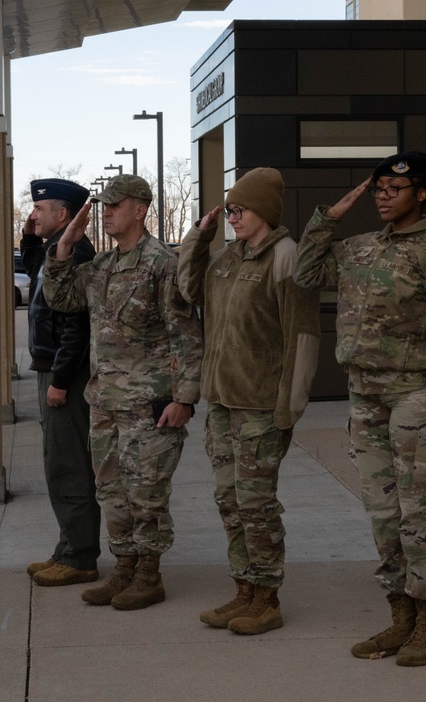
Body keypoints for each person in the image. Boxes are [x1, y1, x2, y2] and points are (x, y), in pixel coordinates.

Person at [294, 151, 426, 666]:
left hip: (418, 396)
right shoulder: (358, 249)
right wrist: (327, 218)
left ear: (421, 193)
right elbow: (304, 273)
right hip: (366, 396)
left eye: (394, 189)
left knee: (419, 513)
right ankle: (400, 617)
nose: (382, 196)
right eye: (377, 188)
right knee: (383, 512)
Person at [42, 174, 203, 611]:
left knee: (146, 491)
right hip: (106, 402)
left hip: (149, 405)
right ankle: (124, 570)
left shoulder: (162, 265)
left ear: (140, 209)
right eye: (104, 206)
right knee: (111, 491)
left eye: (115, 205)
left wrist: (184, 398)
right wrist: (64, 247)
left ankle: (149, 575)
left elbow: (186, 334)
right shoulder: (103, 267)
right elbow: (60, 297)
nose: (106, 212)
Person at [177, 168, 321, 635]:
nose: (232, 217)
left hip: (261, 407)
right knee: (229, 500)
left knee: (256, 505)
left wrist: (289, 408)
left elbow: (301, 337)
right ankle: (243, 590)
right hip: (221, 402)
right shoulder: (226, 258)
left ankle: (267, 598)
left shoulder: (285, 256)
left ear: (265, 211)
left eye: (239, 210)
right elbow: (186, 290)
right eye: (230, 210)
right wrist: (198, 240)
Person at [20, 178, 102, 587]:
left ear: (64, 215)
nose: (33, 213)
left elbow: (75, 326)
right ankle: (67, 548)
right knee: (59, 462)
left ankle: (80, 557)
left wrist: (62, 381)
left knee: (68, 464)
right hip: (50, 368)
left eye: (40, 209)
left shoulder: (76, 255)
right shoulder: (55, 251)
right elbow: (34, 271)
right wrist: (29, 235)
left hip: (63, 373)